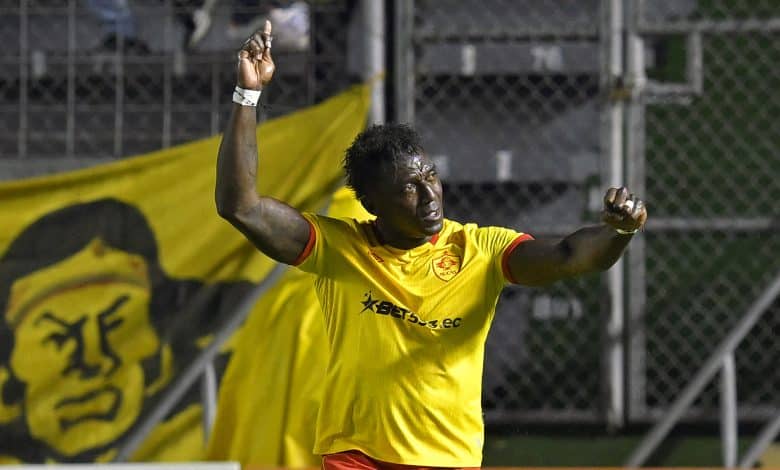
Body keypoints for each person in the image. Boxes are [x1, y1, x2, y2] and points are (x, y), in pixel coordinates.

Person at [215, 22, 648, 469]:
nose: (429, 196)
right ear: (372, 204)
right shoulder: (339, 247)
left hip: (447, 458)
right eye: (408, 188)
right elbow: (240, 206)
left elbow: (571, 256)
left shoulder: (480, 249)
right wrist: (247, 96)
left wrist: (619, 232)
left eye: (430, 177)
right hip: (358, 455)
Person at [0, 199, 250, 462]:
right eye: (57, 338)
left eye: (117, 325)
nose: (92, 361)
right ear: (11, 362)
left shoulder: (237, 410)